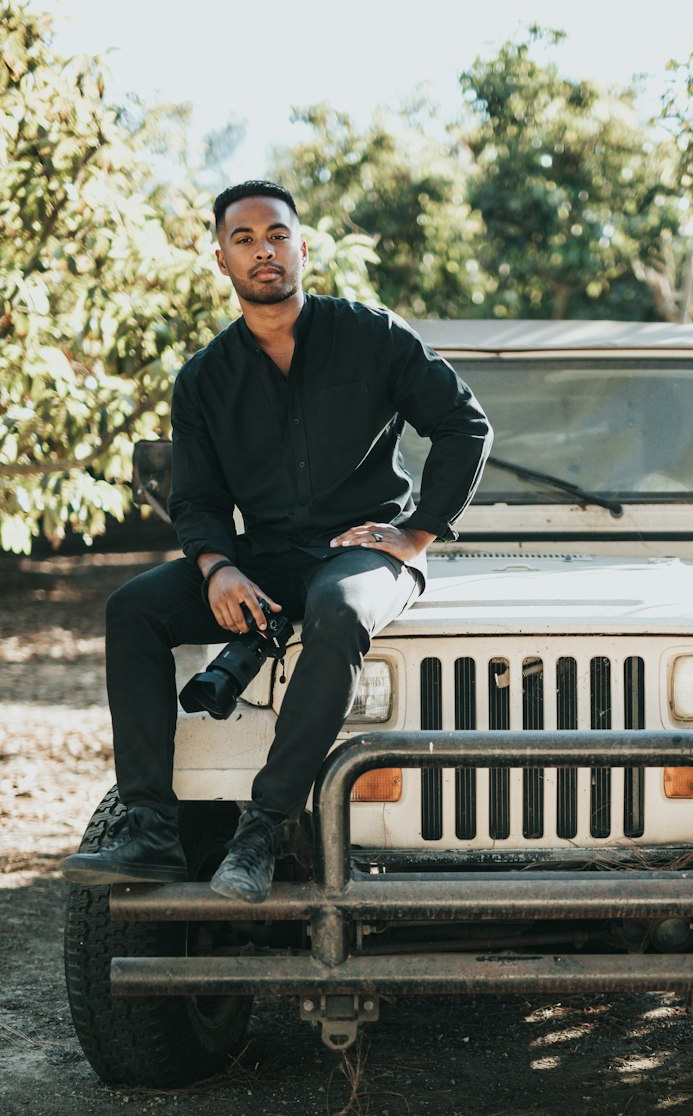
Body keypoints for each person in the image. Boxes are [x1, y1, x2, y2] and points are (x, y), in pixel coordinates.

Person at [62, 179, 492, 902]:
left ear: (302, 246)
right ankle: (150, 831)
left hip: (363, 552)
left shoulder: (372, 335)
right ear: (222, 260)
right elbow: (195, 498)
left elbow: (463, 425)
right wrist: (216, 566)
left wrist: (415, 534)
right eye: (244, 239)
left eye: (277, 235)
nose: (264, 250)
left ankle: (261, 830)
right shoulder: (203, 379)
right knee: (132, 608)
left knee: (341, 609)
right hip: (261, 557)